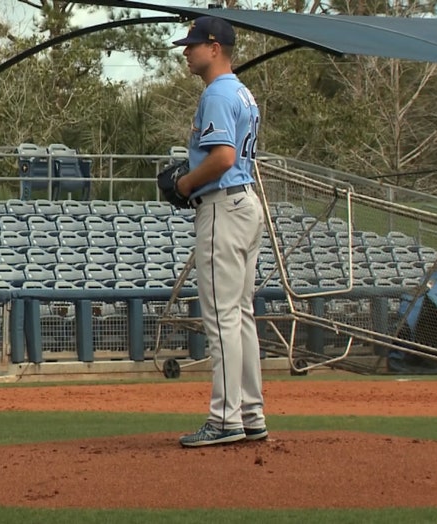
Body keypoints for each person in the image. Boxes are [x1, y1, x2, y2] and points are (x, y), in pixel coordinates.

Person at [166, 16, 267, 447]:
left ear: (214, 47)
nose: (186, 51)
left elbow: (223, 158)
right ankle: (250, 412)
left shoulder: (217, 93)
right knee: (240, 314)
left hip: (223, 206)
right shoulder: (243, 92)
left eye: (192, 44)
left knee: (223, 316)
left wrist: (185, 183)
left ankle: (225, 419)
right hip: (246, 203)